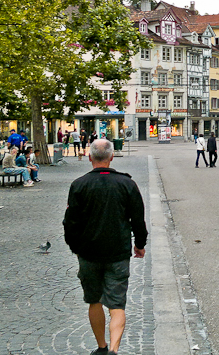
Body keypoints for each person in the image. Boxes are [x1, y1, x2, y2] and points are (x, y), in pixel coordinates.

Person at [64, 139, 147, 355]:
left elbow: (70, 222)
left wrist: (76, 247)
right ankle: (114, 349)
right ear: (111, 157)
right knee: (117, 304)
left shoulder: (79, 185)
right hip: (117, 252)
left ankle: (101, 347)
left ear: (89, 157)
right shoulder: (127, 184)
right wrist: (139, 244)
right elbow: (138, 219)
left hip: (88, 253)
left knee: (94, 300)